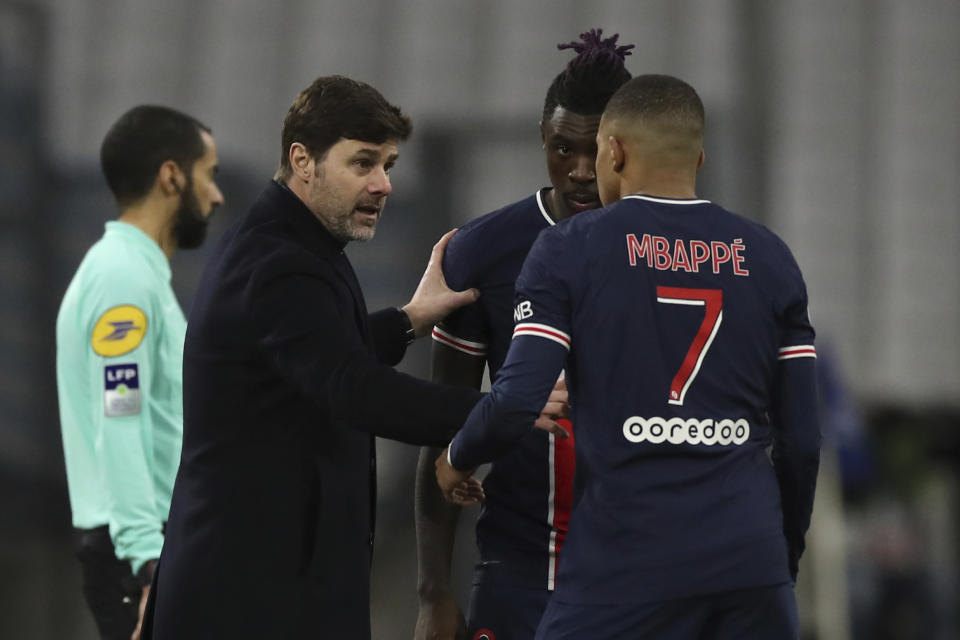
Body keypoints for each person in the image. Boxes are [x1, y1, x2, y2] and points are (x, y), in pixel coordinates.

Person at [141, 75, 567, 640]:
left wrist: (409, 320)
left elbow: (306, 357)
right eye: (363, 163)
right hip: (248, 597)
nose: (383, 184)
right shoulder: (281, 263)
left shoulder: (292, 243)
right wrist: (498, 408)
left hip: (268, 583)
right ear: (303, 160)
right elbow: (352, 388)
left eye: (388, 165)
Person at [436, 74, 821, 639]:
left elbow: (518, 398)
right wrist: (778, 559)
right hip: (750, 564)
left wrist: (457, 457)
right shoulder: (770, 257)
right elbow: (804, 442)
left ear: (612, 151)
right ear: (699, 157)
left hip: (625, 559)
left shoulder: (571, 247)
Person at [414, 29, 633, 640]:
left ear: (626, 150)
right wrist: (433, 595)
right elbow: (442, 426)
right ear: (543, 140)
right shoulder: (482, 253)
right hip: (520, 570)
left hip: (643, 572)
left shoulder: (676, 252)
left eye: (598, 151)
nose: (581, 171)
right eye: (564, 149)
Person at [55, 105, 224, 640]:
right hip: (143, 550)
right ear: (172, 175)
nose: (216, 195)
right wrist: (149, 563)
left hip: (158, 543)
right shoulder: (123, 281)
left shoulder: (135, 276)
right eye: (209, 173)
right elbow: (120, 416)